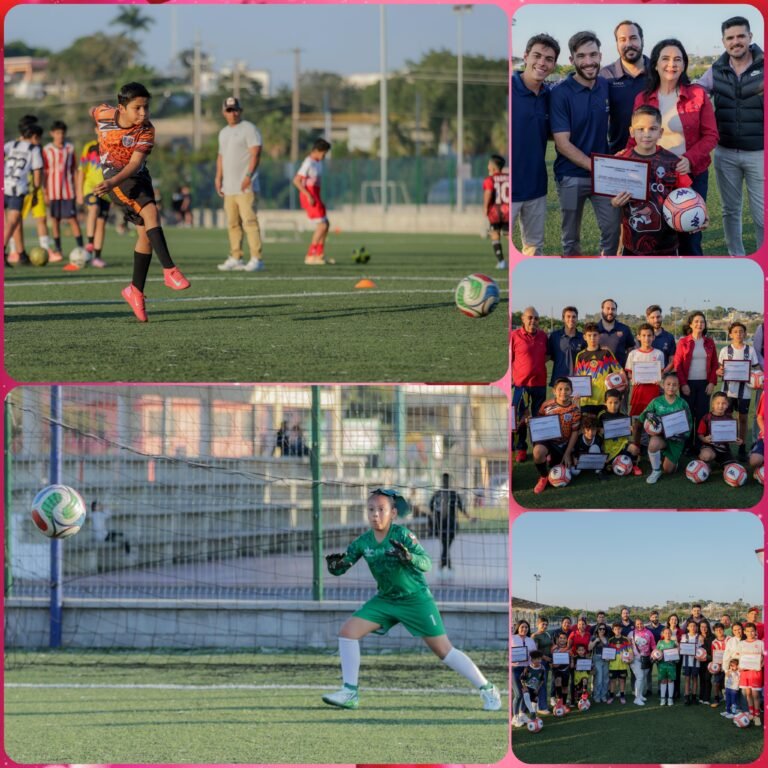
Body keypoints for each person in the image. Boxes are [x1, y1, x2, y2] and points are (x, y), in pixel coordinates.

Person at [321, 488, 501, 711]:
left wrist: (409, 556)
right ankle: (349, 692)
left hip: (415, 599)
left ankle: (487, 688)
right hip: (386, 600)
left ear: (393, 513)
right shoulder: (362, 542)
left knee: (444, 651)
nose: (375, 514)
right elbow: (342, 567)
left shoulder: (402, 535)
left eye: (381, 509)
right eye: (371, 510)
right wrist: (335, 567)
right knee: (348, 632)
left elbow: (426, 562)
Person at [91, 82, 190, 322]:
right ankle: (169, 270)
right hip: (116, 178)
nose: (144, 113)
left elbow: (135, 164)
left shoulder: (146, 130)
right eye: (138, 108)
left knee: (145, 234)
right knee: (151, 214)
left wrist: (115, 179)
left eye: (146, 107)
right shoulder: (104, 114)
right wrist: (98, 137)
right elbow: (93, 111)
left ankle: (134, 291)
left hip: (135, 176)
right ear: (121, 107)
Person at [630, 38, 718, 255]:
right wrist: (620, 161)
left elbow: (711, 135)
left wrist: (690, 159)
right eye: (666, 59)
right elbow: (635, 138)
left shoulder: (697, 94)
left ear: (684, 64)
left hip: (690, 175)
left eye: (678, 59)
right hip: (654, 178)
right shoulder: (643, 98)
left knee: (690, 237)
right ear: (656, 64)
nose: (672, 64)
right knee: (655, 237)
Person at [696, 16, 764, 256]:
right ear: (724, 42)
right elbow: (697, 93)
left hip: (759, 153)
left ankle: (762, 258)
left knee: (762, 214)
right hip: (725, 153)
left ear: (750, 38)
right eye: (730, 38)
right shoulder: (716, 70)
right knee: (731, 211)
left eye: (741, 36)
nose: (736, 42)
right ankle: (738, 256)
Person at [550, 31, 620, 256]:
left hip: (603, 177)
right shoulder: (560, 93)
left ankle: (605, 271)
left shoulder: (605, 85)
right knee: (570, 237)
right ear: (572, 60)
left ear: (600, 55)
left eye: (592, 55)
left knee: (612, 230)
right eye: (581, 56)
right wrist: (596, 166)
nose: (588, 62)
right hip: (570, 177)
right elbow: (562, 144)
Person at [610, 105, 695, 254]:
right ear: (631, 132)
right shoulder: (622, 160)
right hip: (633, 243)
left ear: (660, 132)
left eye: (653, 129)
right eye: (640, 129)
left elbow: (688, 195)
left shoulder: (671, 161)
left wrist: (699, 212)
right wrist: (615, 201)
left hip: (667, 243)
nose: (647, 134)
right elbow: (613, 198)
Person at [511, 34, 560, 256]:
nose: (542, 62)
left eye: (548, 59)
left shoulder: (549, 96)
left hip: (536, 186)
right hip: (507, 188)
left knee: (533, 249)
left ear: (553, 65)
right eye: (537, 56)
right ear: (526, 56)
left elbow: (552, 133)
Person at [215, 96, 265, 272]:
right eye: (229, 110)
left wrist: (249, 176)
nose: (233, 113)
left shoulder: (249, 129)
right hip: (229, 187)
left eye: (235, 109)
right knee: (233, 223)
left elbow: (256, 153)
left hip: (246, 186)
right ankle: (236, 256)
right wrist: (218, 178)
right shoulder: (223, 132)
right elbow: (221, 157)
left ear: (240, 110)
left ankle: (256, 258)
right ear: (224, 112)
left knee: (249, 221)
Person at [600, 20, 651, 154]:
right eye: (622, 39)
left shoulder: (658, 71)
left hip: (656, 156)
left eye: (633, 38)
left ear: (642, 40)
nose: (628, 44)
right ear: (617, 44)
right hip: (618, 154)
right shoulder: (605, 75)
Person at [674, 312, 719, 454]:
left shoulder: (709, 342)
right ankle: (687, 445)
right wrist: (683, 384)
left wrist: (712, 382)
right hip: (688, 384)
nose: (700, 324)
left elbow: (715, 364)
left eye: (702, 322)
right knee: (687, 416)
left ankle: (700, 444)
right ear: (691, 324)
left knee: (701, 415)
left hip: (704, 384)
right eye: (697, 321)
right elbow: (678, 364)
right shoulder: (683, 342)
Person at [43, 120, 85, 263]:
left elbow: (75, 170)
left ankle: (81, 249)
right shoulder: (47, 149)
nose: (60, 135)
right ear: (52, 134)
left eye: (62, 133)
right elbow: (44, 172)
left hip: (68, 191)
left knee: (73, 219)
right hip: (53, 191)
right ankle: (58, 249)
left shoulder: (70, 149)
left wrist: (79, 191)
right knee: (55, 220)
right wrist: (45, 192)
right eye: (57, 133)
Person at [718, 321, 761, 461]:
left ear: (745, 334)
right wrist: (719, 371)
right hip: (728, 391)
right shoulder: (725, 350)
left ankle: (742, 447)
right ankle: (726, 448)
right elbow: (719, 369)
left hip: (745, 392)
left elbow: (756, 369)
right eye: (735, 331)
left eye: (741, 331)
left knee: (743, 419)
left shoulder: (750, 350)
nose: (738, 334)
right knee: (727, 419)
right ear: (730, 334)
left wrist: (755, 376)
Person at [639, 372, 693, 484]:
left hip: (676, 440)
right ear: (662, 385)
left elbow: (689, 423)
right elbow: (642, 416)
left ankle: (669, 459)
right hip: (661, 437)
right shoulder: (656, 401)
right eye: (668, 384)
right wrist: (649, 415)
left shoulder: (683, 403)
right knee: (653, 444)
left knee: (668, 470)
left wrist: (683, 436)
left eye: (674, 385)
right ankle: (656, 470)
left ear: (678, 386)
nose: (671, 387)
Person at [511, 307, 548, 463]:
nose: (533, 321)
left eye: (536, 318)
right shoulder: (514, 336)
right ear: (523, 319)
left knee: (539, 418)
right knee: (521, 419)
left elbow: (547, 356)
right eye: (530, 317)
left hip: (539, 384)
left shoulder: (543, 336)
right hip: (521, 385)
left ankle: (538, 447)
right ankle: (521, 447)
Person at [531, 378, 581, 495]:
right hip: (549, 441)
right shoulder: (546, 406)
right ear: (554, 391)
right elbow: (539, 421)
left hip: (564, 443)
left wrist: (567, 453)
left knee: (575, 469)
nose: (563, 392)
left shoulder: (575, 410)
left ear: (572, 391)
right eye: (560, 389)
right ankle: (543, 477)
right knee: (538, 452)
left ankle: (554, 459)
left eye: (567, 389)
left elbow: (574, 432)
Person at [4, 119, 43, 266]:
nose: (38, 142)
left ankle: (18, 254)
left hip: (4, 185)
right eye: (38, 139)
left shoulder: (11, 144)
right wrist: (35, 193)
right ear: (34, 137)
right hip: (17, 190)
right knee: (13, 222)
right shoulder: (34, 150)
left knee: (10, 222)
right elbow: (37, 175)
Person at [293, 138, 334, 265]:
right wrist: (308, 196)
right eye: (323, 153)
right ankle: (310, 255)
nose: (324, 156)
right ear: (316, 151)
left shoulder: (318, 163)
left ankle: (319, 254)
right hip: (309, 196)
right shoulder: (308, 163)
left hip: (316, 195)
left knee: (326, 224)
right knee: (322, 225)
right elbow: (296, 181)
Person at [574, 322, 625, 415]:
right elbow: (578, 377)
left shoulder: (606, 353)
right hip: (586, 400)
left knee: (603, 427)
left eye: (595, 335)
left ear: (599, 336)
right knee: (588, 428)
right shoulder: (580, 356)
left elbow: (620, 371)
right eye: (589, 335)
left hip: (604, 400)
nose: (592, 338)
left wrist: (622, 387)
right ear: (584, 337)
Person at [76, 127, 110, 268]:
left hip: (107, 191)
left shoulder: (113, 147)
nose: (104, 132)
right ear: (96, 130)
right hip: (90, 187)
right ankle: (89, 242)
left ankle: (97, 257)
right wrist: (79, 192)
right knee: (94, 208)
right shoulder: (89, 147)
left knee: (101, 223)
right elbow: (81, 172)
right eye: (101, 129)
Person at [428, 473, 474, 571]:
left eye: (446, 480)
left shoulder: (452, 494)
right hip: (440, 524)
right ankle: (446, 564)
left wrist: (469, 517)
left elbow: (461, 508)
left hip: (450, 524)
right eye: (444, 480)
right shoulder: (438, 494)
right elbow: (431, 507)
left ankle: (444, 563)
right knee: (445, 545)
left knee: (446, 545)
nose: (445, 482)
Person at [625, 322, 664, 417]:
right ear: (638, 337)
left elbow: (661, 373)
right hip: (638, 392)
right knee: (637, 420)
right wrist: (633, 378)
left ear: (653, 337)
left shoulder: (659, 354)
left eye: (649, 335)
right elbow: (629, 374)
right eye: (644, 335)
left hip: (653, 392)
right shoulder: (633, 354)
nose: (647, 338)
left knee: (653, 421)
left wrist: (658, 379)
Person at [599, 389, 641, 476]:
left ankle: (633, 465)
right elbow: (597, 431)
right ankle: (611, 464)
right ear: (605, 403)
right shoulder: (601, 415)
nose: (613, 406)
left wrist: (631, 430)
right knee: (605, 464)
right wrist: (600, 431)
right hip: (608, 447)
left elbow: (628, 434)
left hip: (621, 444)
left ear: (620, 402)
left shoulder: (623, 416)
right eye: (610, 403)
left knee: (635, 449)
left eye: (616, 403)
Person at [697, 391, 742, 471]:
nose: (720, 406)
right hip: (710, 447)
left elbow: (732, 436)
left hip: (724, 449)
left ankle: (723, 463)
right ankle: (706, 462)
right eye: (718, 403)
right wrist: (704, 439)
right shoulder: (706, 418)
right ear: (713, 405)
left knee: (732, 468)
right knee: (706, 455)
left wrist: (737, 440)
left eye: (724, 403)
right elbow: (700, 434)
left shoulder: (729, 418)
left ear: (727, 405)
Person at [482, 154, 509, 269]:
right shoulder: (509, 177)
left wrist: (485, 207)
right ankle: (518, 255)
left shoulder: (490, 179)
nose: (487, 166)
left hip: (495, 212)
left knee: (495, 234)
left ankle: (501, 262)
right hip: (508, 211)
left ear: (493, 167)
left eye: (488, 164)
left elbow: (488, 193)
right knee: (508, 235)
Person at [547, 306, 586, 384]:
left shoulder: (583, 337)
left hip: (577, 379)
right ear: (563, 319)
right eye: (568, 316)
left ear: (577, 319)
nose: (571, 319)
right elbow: (549, 356)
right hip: (559, 379)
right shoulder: (555, 336)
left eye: (574, 317)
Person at [511, 619, 539, 727]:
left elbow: (534, 655)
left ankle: (522, 713)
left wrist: (534, 660)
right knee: (518, 694)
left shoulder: (530, 640)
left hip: (527, 669)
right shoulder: (512, 638)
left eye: (526, 627)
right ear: (518, 627)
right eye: (522, 627)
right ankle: (515, 717)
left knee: (526, 693)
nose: (524, 629)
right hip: (515, 668)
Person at [597, 299, 636, 369]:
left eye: (613, 309)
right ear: (602, 310)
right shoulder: (595, 329)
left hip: (620, 373)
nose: (610, 312)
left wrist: (627, 366)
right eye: (607, 309)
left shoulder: (624, 329)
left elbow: (631, 348)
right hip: (598, 372)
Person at [738, 622, 764, 725]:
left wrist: (760, 666)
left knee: (755, 694)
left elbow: (764, 657)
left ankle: (757, 715)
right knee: (748, 693)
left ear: (755, 632)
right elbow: (740, 657)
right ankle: (751, 713)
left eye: (752, 631)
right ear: (744, 632)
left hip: (756, 672)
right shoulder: (742, 643)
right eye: (748, 631)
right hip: (745, 672)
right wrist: (740, 666)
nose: (750, 633)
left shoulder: (760, 643)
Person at [569, 413, 606, 480]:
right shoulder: (578, 440)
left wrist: (604, 459)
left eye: (593, 430)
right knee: (575, 472)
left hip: (593, 461)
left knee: (595, 447)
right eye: (588, 430)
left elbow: (602, 451)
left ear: (596, 430)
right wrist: (574, 459)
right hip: (581, 463)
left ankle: (598, 471)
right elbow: (573, 452)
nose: (591, 433)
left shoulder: (598, 439)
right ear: (583, 430)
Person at [629, 618, 656, 706]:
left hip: (646, 658)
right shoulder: (631, 633)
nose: (639, 625)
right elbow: (627, 646)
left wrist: (654, 653)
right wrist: (629, 655)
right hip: (635, 659)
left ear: (643, 623)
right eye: (637, 624)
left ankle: (640, 695)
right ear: (635, 625)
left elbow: (653, 644)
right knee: (640, 677)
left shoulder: (649, 632)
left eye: (641, 623)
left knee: (643, 677)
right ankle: (636, 698)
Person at [518, 651, 548, 726]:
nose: (538, 661)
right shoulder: (528, 668)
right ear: (532, 660)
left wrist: (538, 688)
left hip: (535, 688)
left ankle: (534, 717)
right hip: (527, 686)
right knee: (526, 695)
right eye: (535, 659)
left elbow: (542, 680)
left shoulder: (542, 668)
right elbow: (522, 678)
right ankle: (531, 711)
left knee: (534, 701)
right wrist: (524, 687)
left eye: (539, 659)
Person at [531, 617, 553, 714]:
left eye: (546, 624)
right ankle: (541, 707)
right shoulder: (535, 636)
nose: (544, 626)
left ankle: (540, 705)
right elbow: (535, 651)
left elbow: (551, 646)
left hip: (548, 661)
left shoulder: (547, 634)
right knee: (541, 684)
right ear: (537, 624)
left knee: (543, 683)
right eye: (542, 624)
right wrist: (545, 658)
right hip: (540, 662)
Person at [606, 622, 632, 704]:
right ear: (613, 630)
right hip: (612, 665)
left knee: (622, 681)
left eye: (619, 629)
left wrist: (629, 659)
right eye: (615, 629)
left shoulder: (626, 639)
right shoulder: (610, 640)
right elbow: (607, 653)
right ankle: (611, 696)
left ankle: (622, 695)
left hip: (623, 665)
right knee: (612, 681)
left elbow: (630, 651)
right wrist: (607, 658)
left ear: (621, 629)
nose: (617, 630)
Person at [646, 304, 676, 371]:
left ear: (661, 317)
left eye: (658, 317)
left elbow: (672, 360)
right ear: (647, 319)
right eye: (652, 317)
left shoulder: (669, 337)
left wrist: (662, 374)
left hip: (663, 378)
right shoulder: (642, 337)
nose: (656, 320)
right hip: (645, 378)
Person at [656, 626, 679, 706]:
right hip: (662, 665)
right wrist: (657, 657)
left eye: (669, 633)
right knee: (663, 681)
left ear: (671, 634)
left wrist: (676, 658)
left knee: (670, 681)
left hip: (671, 665)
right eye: (666, 633)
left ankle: (670, 698)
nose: (668, 634)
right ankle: (663, 698)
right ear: (663, 634)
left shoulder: (674, 643)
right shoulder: (660, 642)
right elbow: (656, 653)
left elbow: (677, 655)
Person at [589, 622, 611, 703]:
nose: (602, 630)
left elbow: (610, 650)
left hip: (606, 660)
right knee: (599, 679)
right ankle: (596, 696)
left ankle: (603, 695)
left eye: (603, 629)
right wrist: (595, 641)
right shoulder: (594, 637)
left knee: (605, 679)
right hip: (597, 659)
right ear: (597, 629)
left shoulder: (607, 638)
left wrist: (609, 658)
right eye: (600, 628)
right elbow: (589, 648)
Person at [681, 619, 701, 705]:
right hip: (686, 661)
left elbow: (701, 650)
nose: (692, 627)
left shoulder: (699, 637)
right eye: (691, 626)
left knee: (695, 679)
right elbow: (682, 648)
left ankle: (694, 696)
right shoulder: (684, 636)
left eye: (694, 626)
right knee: (687, 679)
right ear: (688, 627)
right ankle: (686, 696)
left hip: (696, 661)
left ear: (696, 627)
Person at [645, 611, 664, 697]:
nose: (655, 618)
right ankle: (649, 689)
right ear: (650, 618)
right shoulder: (647, 628)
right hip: (649, 653)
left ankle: (660, 689)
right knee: (648, 672)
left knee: (660, 672)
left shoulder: (663, 628)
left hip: (661, 654)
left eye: (656, 617)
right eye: (653, 617)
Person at [711, 622, 728, 708]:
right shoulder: (714, 642)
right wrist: (717, 666)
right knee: (716, 682)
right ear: (714, 632)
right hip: (719, 665)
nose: (719, 631)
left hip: (729, 665)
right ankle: (716, 698)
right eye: (717, 630)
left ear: (723, 630)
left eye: (720, 629)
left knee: (729, 682)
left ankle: (730, 699)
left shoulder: (729, 639)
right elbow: (714, 655)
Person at [697, 620, 714, 704]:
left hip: (709, 661)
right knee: (702, 679)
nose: (703, 628)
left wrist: (710, 657)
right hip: (700, 662)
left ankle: (707, 698)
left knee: (707, 679)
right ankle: (701, 697)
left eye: (705, 627)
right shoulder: (697, 637)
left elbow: (714, 650)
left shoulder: (712, 637)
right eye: (701, 627)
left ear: (708, 628)